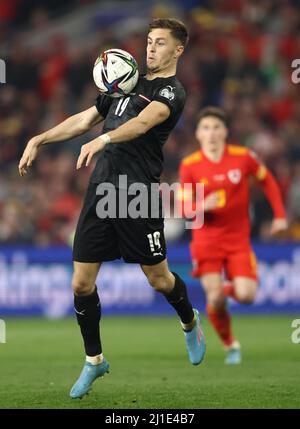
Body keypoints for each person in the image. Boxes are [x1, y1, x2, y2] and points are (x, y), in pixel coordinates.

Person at [18, 18, 206, 399]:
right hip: (101, 192)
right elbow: (85, 119)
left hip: (135, 195)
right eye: (149, 41)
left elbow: (143, 122)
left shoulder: (172, 91)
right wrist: (40, 138)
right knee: (81, 283)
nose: (151, 48)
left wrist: (103, 140)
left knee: (159, 279)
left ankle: (188, 320)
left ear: (178, 50)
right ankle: (94, 360)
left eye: (159, 43)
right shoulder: (126, 79)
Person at [178, 106, 287, 365]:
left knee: (247, 295)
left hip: (238, 239)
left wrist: (280, 215)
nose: (212, 133)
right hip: (206, 240)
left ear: (225, 131)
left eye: (216, 127)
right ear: (198, 134)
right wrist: (203, 206)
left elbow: (268, 181)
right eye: (206, 128)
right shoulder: (190, 165)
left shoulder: (243, 157)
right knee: (214, 298)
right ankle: (231, 345)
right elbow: (183, 208)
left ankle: (227, 290)